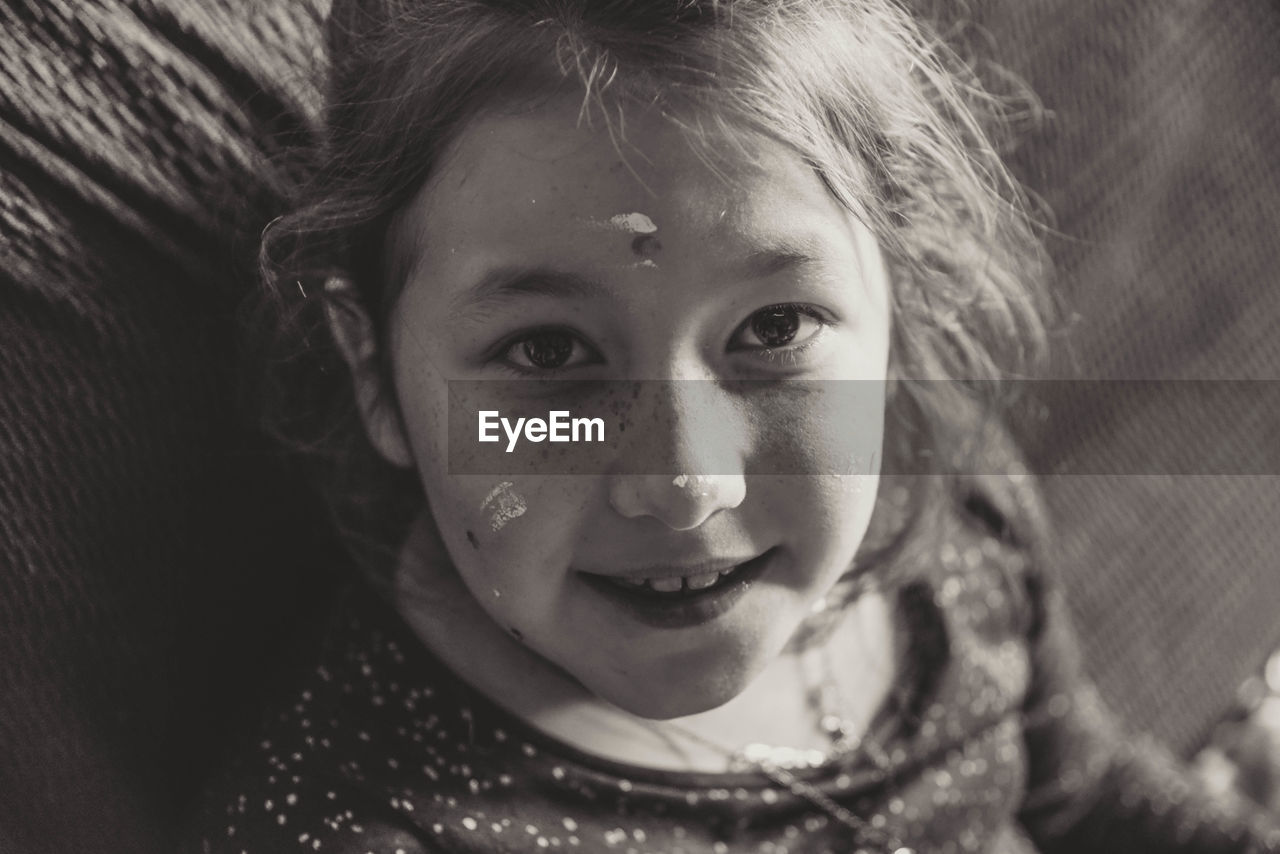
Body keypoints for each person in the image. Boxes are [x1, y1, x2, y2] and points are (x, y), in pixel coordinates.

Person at [189, 1, 1280, 851]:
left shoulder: (952, 514)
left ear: (900, 307)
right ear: (373, 369)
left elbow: (1079, 794)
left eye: (773, 326)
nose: (681, 483)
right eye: (546, 353)